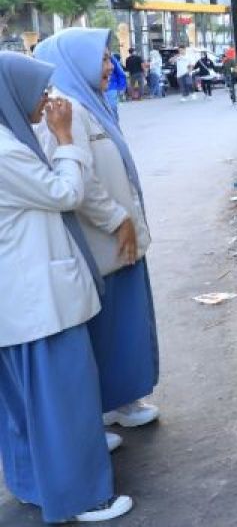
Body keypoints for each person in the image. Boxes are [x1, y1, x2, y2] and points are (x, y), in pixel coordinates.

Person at [0, 52, 135, 523]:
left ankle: (35, 484)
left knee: (28, 409)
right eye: (38, 91)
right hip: (37, 300)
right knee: (65, 404)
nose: (49, 99)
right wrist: (64, 139)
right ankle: (81, 497)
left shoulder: (8, 139)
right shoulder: (6, 151)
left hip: (23, 299)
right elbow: (65, 193)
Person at [35, 29, 160, 431]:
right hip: (102, 240)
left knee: (123, 323)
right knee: (111, 328)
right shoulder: (65, 108)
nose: (110, 67)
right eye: (102, 59)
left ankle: (119, 401)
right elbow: (78, 178)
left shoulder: (91, 103)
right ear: (74, 61)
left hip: (116, 238)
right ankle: (110, 407)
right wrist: (116, 219)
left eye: (110, 58)